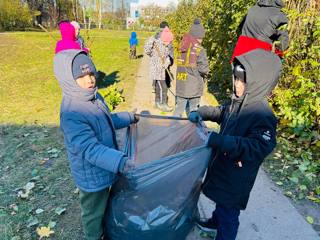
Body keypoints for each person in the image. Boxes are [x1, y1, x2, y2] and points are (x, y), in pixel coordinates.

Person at [189, 48, 282, 240]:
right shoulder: (237, 102)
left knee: (229, 212)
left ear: (257, 83)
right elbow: (223, 113)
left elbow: (259, 146)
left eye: (242, 81)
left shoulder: (262, 114)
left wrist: (219, 140)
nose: (237, 84)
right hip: (225, 166)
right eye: (236, 78)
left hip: (238, 173)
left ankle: (226, 235)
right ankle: (215, 222)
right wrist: (203, 112)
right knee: (221, 203)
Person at [53, 50, 138, 240]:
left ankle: (109, 226)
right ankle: (94, 235)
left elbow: (106, 121)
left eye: (91, 73)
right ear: (68, 79)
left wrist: (128, 117)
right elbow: (89, 149)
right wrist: (120, 162)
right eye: (81, 76)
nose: (89, 80)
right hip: (91, 174)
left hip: (106, 165)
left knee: (109, 201)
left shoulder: (93, 97)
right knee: (93, 211)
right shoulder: (72, 112)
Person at [173, 19, 209, 117]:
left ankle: (172, 127)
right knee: (194, 112)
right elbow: (204, 69)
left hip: (181, 85)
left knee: (178, 110)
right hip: (194, 87)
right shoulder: (199, 50)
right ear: (199, 36)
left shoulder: (182, 47)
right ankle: (193, 131)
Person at [144, 26, 174, 112]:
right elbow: (147, 51)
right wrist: (151, 40)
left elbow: (168, 56)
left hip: (162, 68)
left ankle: (157, 102)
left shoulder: (166, 45)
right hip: (156, 68)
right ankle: (163, 104)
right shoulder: (155, 42)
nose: (168, 43)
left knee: (158, 86)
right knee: (164, 87)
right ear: (163, 39)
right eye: (167, 41)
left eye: (169, 42)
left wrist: (167, 62)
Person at [152, 21, 174, 92]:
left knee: (156, 70)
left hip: (156, 59)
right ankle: (166, 85)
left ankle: (154, 85)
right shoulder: (167, 35)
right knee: (166, 70)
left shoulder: (156, 35)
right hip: (164, 58)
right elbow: (170, 49)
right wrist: (171, 60)